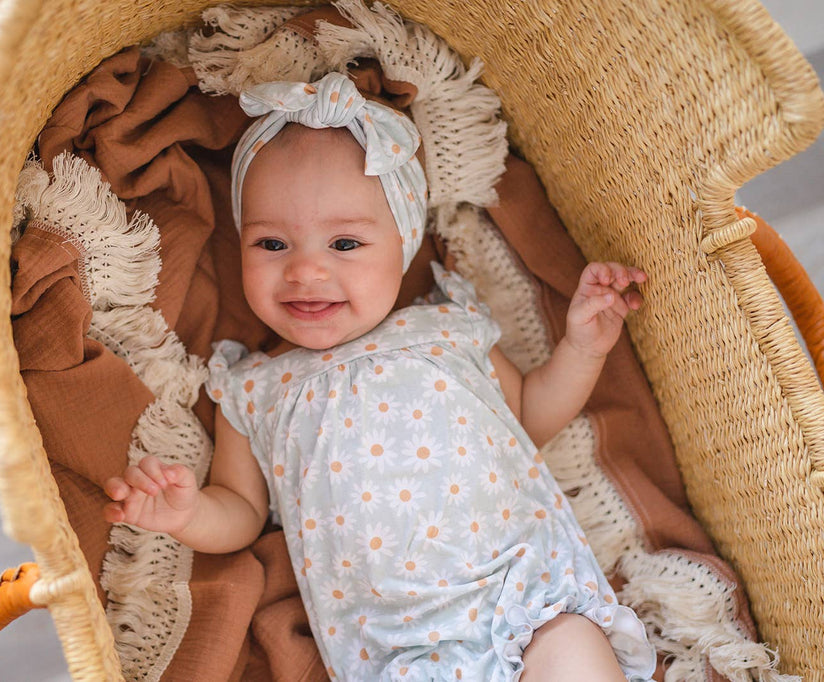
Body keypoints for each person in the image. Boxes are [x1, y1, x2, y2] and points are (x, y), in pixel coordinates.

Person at [104, 72, 657, 681]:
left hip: (523, 601)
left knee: (574, 650)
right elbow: (240, 510)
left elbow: (528, 416)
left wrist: (583, 347)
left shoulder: (446, 331)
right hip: (402, 653)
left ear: (403, 243)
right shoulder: (254, 390)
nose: (306, 271)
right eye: (272, 244)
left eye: (344, 243)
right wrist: (186, 514)